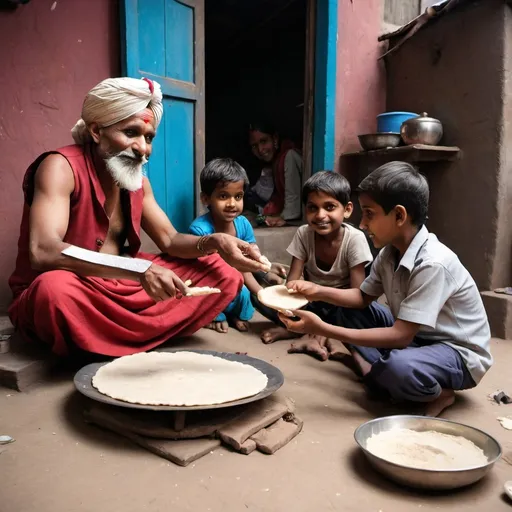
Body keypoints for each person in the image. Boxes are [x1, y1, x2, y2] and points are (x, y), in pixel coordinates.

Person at [8, 77, 268, 358]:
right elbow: (43, 251)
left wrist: (216, 241)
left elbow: (169, 239)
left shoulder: (137, 182)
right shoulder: (60, 167)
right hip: (78, 283)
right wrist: (140, 271)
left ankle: (104, 340)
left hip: (125, 282)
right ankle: (134, 334)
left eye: (148, 137)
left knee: (225, 273)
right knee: (53, 292)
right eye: (131, 132)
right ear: (96, 130)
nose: (142, 148)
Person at [278, 162, 492, 417]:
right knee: (346, 311)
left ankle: (439, 393)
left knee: (397, 369)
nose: (363, 223)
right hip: (417, 338)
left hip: (456, 354)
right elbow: (361, 297)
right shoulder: (390, 252)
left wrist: (321, 329)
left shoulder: (433, 264)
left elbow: (400, 335)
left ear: (399, 216)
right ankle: (382, 374)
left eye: (369, 213)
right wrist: (315, 290)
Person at [257, 171, 379, 349]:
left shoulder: (355, 239)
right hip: (311, 302)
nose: (320, 215)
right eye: (313, 208)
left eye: (329, 207)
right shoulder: (304, 233)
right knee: (261, 295)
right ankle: (305, 329)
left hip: (341, 304)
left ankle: (313, 331)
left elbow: (357, 297)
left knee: (360, 315)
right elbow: (291, 283)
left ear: (347, 210)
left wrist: (318, 290)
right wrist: (297, 289)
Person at [189, 158, 260, 333]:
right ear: (206, 198)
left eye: (238, 196)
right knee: (208, 293)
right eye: (223, 196)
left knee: (243, 292)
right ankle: (214, 315)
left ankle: (235, 315)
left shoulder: (243, 224)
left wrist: (256, 258)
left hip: (237, 278)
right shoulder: (200, 229)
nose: (231, 204)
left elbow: (249, 256)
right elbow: (202, 269)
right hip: (211, 278)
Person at [247, 121, 302, 227]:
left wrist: (276, 217)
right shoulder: (274, 164)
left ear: (275, 139)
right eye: (254, 146)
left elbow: (292, 211)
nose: (260, 149)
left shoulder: (290, 157)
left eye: (263, 141)